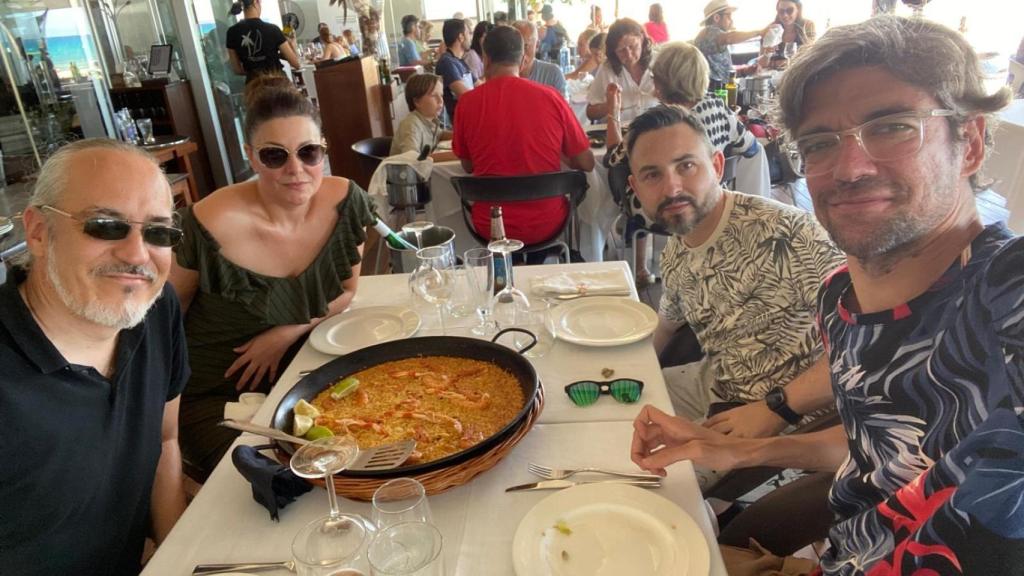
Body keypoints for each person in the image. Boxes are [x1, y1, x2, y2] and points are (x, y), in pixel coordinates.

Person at [631, 16, 1022, 573]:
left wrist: (775, 408)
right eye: (819, 143)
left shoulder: (1005, 292)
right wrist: (745, 450)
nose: (851, 167)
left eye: (891, 126)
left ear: (973, 142)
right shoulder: (841, 301)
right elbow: (882, 445)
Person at [171, 77, 375, 477]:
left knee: (370, 453)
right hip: (216, 394)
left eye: (309, 152)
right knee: (277, 484)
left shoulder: (346, 202)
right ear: (251, 156)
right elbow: (163, 320)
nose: (296, 169)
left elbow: (348, 290)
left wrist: (286, 331)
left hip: (301, 375)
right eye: (274, 155)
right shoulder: (208, 223)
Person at [0, 139, 188, 573]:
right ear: (39, 232)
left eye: (158, 232)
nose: (137, 255)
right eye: (105, 225)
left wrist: (180, 556)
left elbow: (166, 440)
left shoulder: (156, 313)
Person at [620, 104, 840, 441]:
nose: (672, 188)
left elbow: (869, 347)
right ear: (637, 188)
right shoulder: (678, 249)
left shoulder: (790, 234)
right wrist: (626, 375)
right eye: (653, 175)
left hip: (792, 421)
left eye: (686, 166)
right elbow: (666, 326)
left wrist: (778, 407)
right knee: (604, 419)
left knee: (636, 474)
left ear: (717, 166)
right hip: (715, 386)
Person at [607, 41, 761, 289]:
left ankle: (640, 269)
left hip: (666, 209)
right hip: (710, 205)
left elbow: (613, 157)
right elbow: (751, 148)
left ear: (663, 81)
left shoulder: (659, 122)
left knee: (638, 181)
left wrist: (612, 112)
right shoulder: (719, 109)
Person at [452, 25, 594, 246]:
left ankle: (510, 270)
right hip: (548, 222)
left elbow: (468, 166)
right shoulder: (551, 98)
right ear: (523, 59)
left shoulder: (467, 103)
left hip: (492, 225)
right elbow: (587, 162)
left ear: (486, 59)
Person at [586, 18, 658, 122]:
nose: (629, 55)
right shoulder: (607, 68)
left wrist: (665, 95)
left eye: (633, 46)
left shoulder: (659, 63)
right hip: (619, 133)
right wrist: (609, 107)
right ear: (613, 51)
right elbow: (590, 113)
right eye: (621, 50)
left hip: (655, 132)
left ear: (642, 39)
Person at [694, 0, 767, 85]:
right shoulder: (708, 33)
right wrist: (760, 32)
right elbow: (729, 38)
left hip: (721, 89)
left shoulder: (717, 38)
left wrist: (744, 71)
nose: (731, 20)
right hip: (714, 91)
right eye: (728, 16)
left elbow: (723, 71)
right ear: (716, 17)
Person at [225, 0, 300, 83]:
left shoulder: (232, 32)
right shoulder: (273, 29)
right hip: (278, 84)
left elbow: (237, 69)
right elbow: (296, 64)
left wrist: (255, 72)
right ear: (255, 2)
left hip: (254, 87)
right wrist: (293, 44)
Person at [390, 73, 453, 158]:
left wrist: (463, 137)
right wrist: (450, 156)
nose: (440, 100)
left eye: (441, 95)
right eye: (434, 95)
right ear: (417, 102)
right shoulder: (411, 125)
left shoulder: (430, 119)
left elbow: (439, 134)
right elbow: (412, 158)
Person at [512, 20, 567, 96]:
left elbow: (562, 106)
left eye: (525, 46)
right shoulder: (501, 77)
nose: (520, 53)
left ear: (537, 45)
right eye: (514, 47)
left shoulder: (552, 74)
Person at [435, 18, 474, 122]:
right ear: (461, 37)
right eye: (469, 33)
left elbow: (480, 85)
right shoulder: (446, 62)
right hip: (458, 122)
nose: (471, 37)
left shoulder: (460, 61)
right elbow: (465, 96)